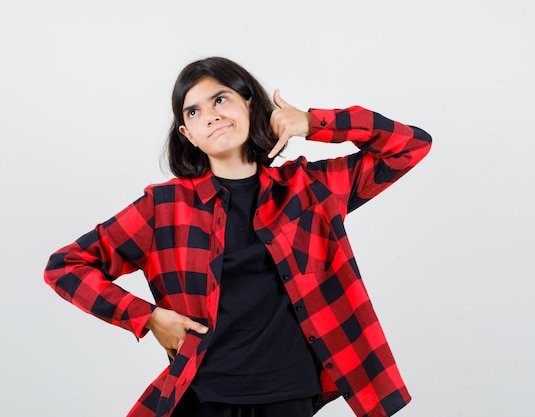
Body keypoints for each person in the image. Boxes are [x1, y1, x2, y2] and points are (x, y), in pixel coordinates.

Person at [44, 56, 432, 417]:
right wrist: (147, 318)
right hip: (205, 394)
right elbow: (65, 266)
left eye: (221, 99)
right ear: (188, 134)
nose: (210, 116)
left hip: (290, 392)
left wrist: (313, 123)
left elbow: (410, 146)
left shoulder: (310, 187)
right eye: (194, 111)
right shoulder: (163, 207)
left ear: (250, 105)